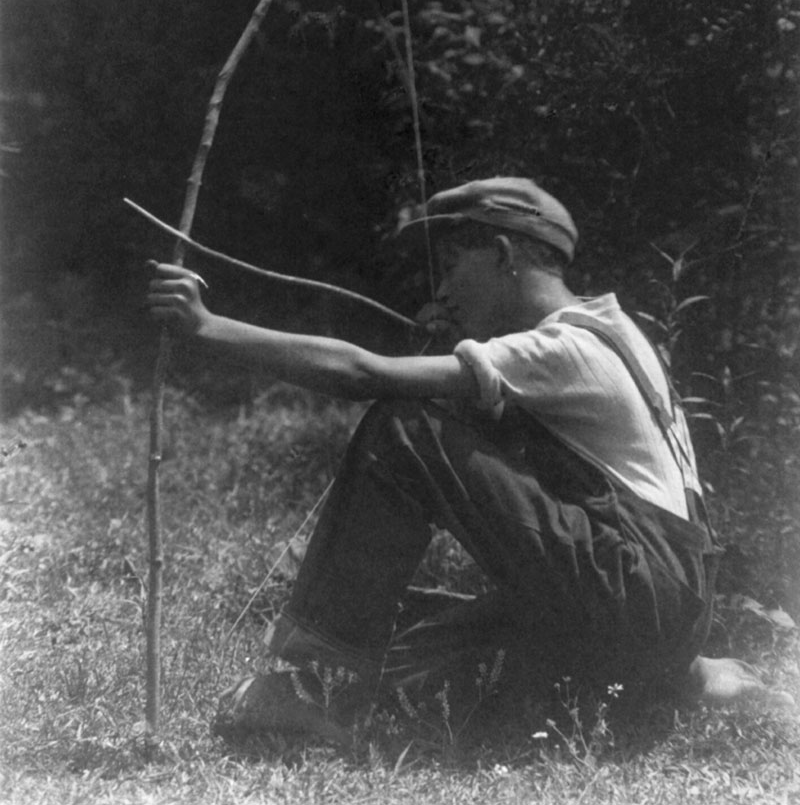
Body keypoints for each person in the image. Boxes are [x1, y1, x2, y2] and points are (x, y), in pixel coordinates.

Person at [146, 177, 793, 743]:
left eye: (455, 262)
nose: (443, 287)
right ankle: (701, 678)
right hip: (668, 609)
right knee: (416, 655)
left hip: (636, 592)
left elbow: (362, 372)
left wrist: (209, 327)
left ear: (504, 254)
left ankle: (312, 687)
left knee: (404, 426)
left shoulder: (560, 348)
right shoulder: (613, 330)